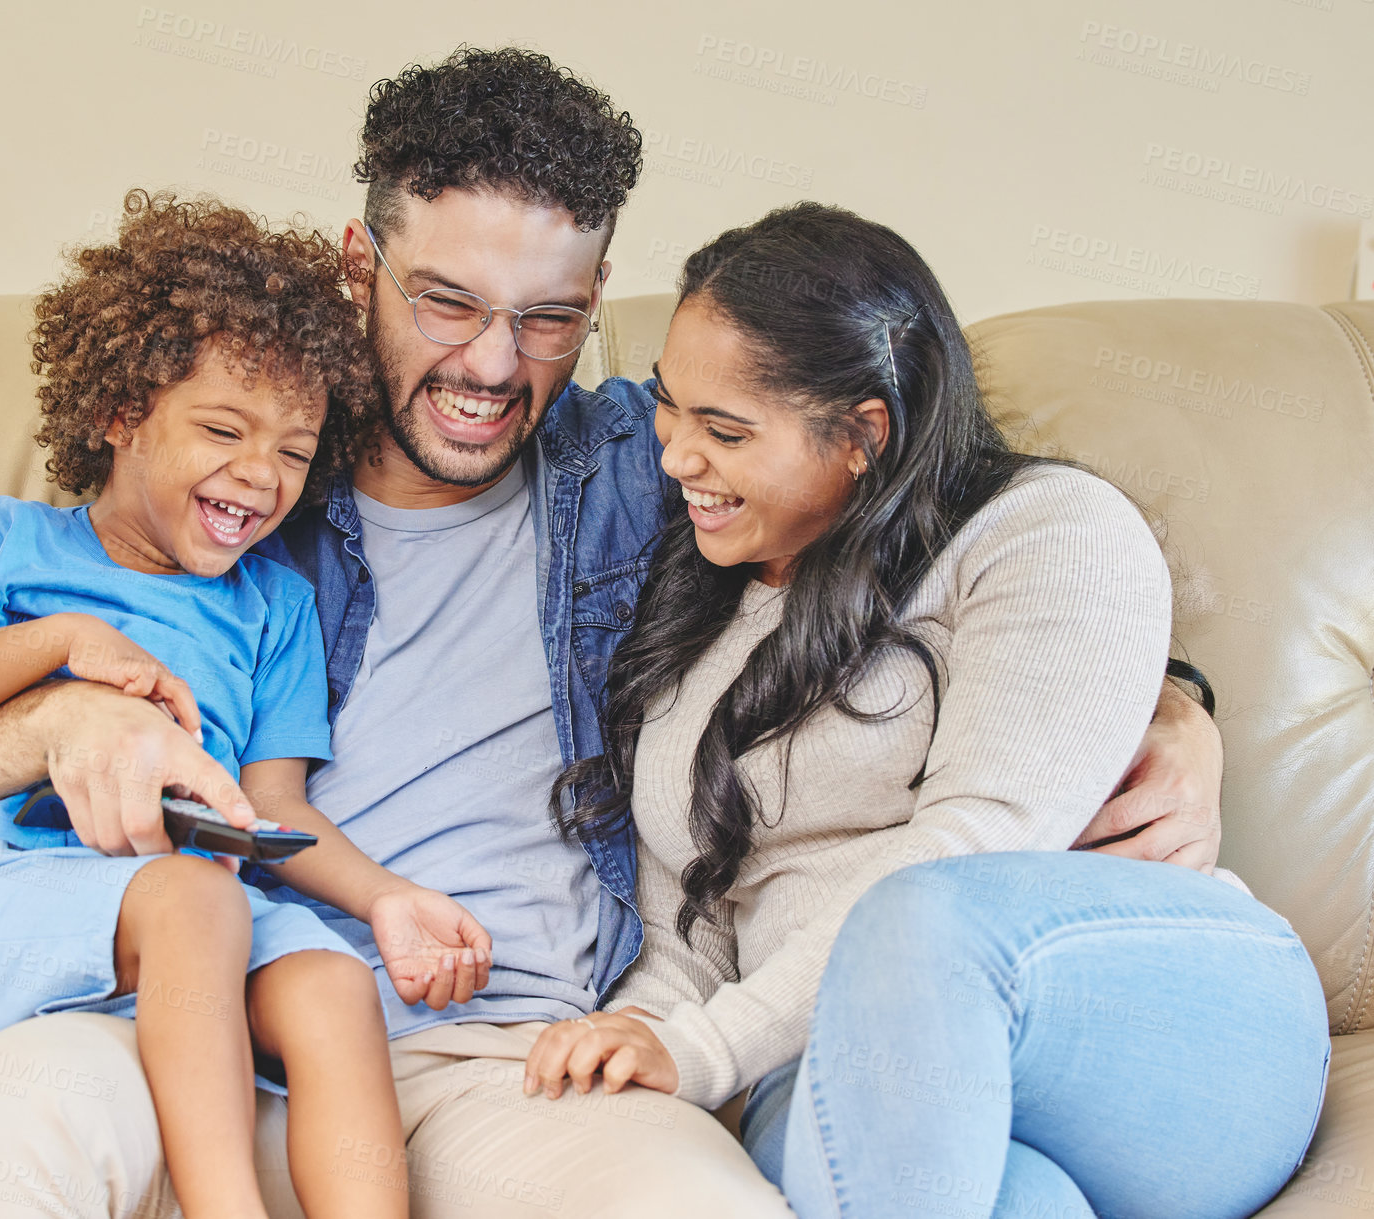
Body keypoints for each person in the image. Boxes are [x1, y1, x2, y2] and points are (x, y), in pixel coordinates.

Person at [0, 48, 1229, 1219]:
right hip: (180, 1016)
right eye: (444, 301)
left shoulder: (650, 467)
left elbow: (920, 514)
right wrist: (57, 715)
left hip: (513, 1052)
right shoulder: (236, 469)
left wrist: (1163, 698)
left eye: (548, 317)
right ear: (355, 262)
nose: (492, 366)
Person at [520, 202, 1330, 1218]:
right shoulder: (690, 597)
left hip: (1153, 1040)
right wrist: (633, 1043)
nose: (676, 453)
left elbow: (979, 845)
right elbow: (684, 926)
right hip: (848, 1075)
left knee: (918, 916)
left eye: (724, 429)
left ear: (864, 434)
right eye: (672, 408)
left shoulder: (1044, 532)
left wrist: (704, 1050)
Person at [0, 191, 496, 1219]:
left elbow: (274, 805)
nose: (260, 472)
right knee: (192, 898)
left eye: (294, 449)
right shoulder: (9, 544)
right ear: (120, 415)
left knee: (335, 986)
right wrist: (62, 646)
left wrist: (384, 899)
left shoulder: (272, 603)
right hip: (19, 904)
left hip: (204, 924)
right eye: (223, 429)